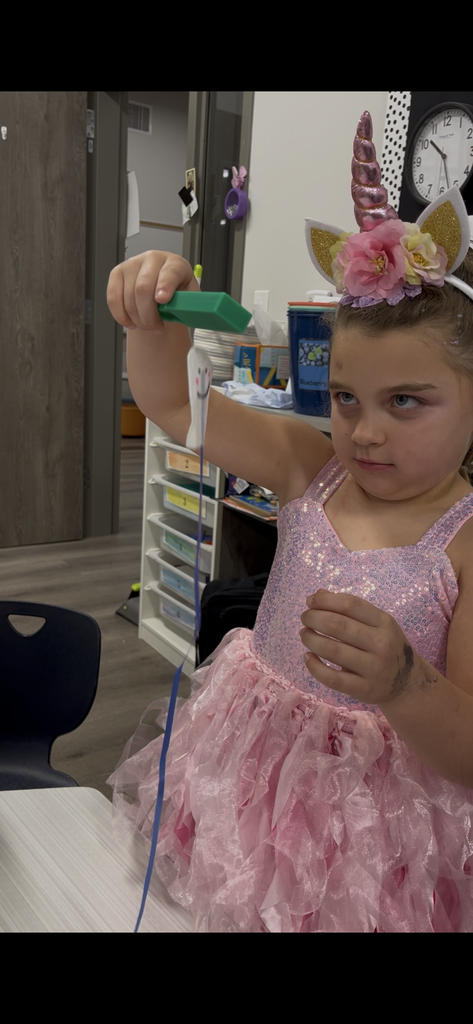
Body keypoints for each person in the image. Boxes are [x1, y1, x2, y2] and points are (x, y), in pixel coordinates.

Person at [106, 112, 473, 932]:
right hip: (243, 785)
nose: (363, 431)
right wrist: (152, 314)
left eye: (404, 401)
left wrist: (404, 684)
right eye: (344, 397)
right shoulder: (312, 467)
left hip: (373, 841)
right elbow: (172, 405)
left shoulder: (465, 541)